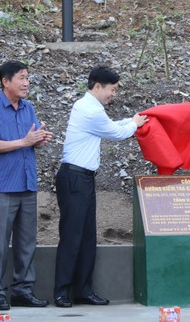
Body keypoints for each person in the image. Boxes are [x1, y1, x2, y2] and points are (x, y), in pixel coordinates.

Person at [53, 65, 148, 308]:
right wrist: (135, 123)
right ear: (97, 87)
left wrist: (133, 120)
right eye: (112, 89)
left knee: (86, 237)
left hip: (83, 179)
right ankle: (62, 292)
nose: (114, 94)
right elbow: (116, 132)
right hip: (74, 178)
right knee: (72, 237)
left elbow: (113, 125)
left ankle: (83, 290)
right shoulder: (89, 109)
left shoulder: (91, 107)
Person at [0, 60, 54, 311]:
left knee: (26, 241)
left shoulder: (28, 107)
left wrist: (39, 140)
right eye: (21, 78)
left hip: (27, 183)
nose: (26, 83)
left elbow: (29, 141)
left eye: (28, 78)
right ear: (5, 81)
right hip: (2, 186)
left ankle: (23, 290)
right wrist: (24, 141)